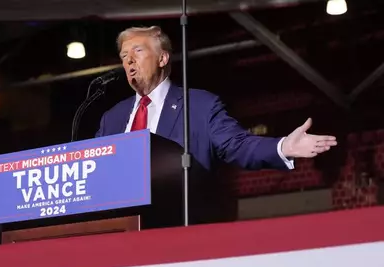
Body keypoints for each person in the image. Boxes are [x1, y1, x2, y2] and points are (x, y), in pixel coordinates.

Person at [95, 26, 337, 171]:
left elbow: (238, 145)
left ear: (163, 59)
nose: (128, 60)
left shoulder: (199, 107)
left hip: (177, 226)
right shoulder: (111, 119)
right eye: (124, 55)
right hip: (121, 231)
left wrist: (283, 147)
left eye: (138, 51)